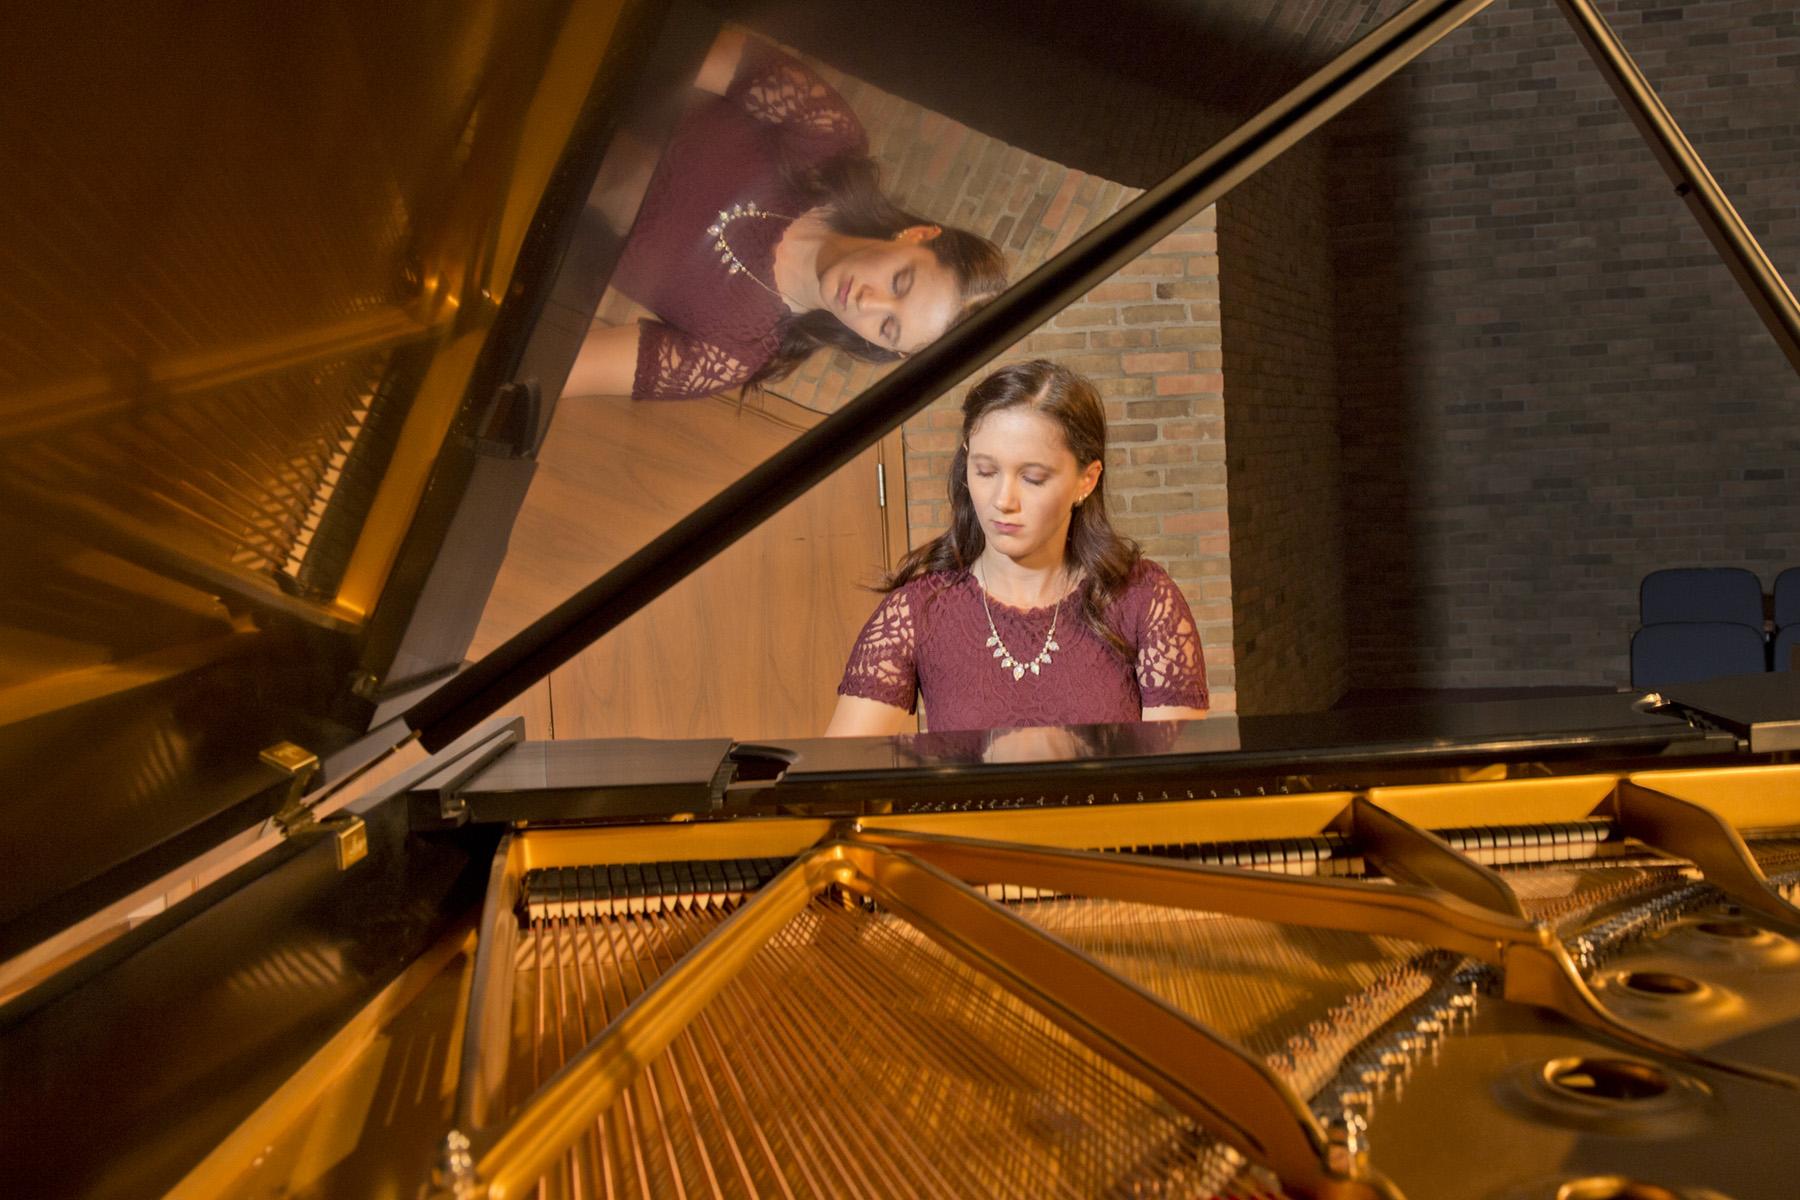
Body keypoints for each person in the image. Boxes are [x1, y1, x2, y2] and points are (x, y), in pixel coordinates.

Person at [565, 29, 1008, 401]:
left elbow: (567, 369)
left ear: (884, 349)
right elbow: (679, 40)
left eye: (888, 327)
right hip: (566, 69)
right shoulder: (827, 139)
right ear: (916, 236)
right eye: (900, 282)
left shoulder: (735, 353)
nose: (868, 303)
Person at [827, 360, 1209, 735]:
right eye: (985, 471)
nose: (1003, 500)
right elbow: (841, 780)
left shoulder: (1144, 600)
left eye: (1032, 477)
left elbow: (1175, 782)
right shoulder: (917, 612)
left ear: (1086, 480)